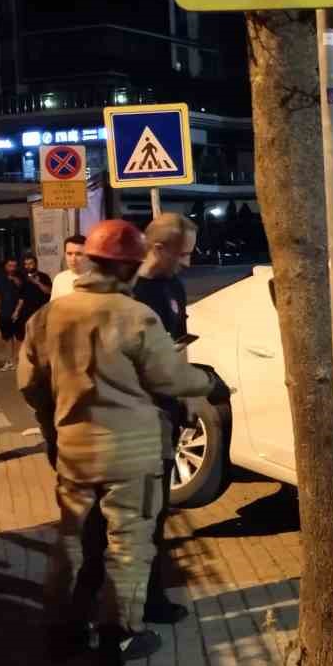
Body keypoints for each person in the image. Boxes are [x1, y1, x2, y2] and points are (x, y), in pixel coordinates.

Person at [17, 219, 223, 666]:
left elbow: (29, 385)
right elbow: (168, 376)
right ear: (129, 267)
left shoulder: (46, 317)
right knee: (129, 543)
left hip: (74, 448)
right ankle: (120, 637)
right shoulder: (134, 317)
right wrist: (207, 381)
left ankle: (64, 632)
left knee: (73, 541)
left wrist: (54, 428)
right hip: (132, 451)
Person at [131, 213, 199, 623]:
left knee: (157, 512)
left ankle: (149, 596)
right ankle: (139, 603)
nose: (188, 263)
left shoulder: (174, 285)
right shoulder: (130, 292)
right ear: (158, 248)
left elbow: (179, 344)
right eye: (183, 254)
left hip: (167, 413)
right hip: (138, 417)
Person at [0, 257, 22, 370]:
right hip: (4, 312)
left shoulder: (20, 278)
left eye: (14, 266)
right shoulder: (0, 279)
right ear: (6, 266)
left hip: (19, 312)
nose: (12, 268)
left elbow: (23, 293)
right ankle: (9, 360)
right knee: (7, 338)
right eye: (10, 266)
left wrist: (17, 281)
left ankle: (17, 360)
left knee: (19, 337)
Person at [50, 233, 87, 301]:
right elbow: (53, 306)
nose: (73, 259)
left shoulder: (97, 279)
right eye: (69, 254)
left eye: (78, 254)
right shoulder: (59, 279)